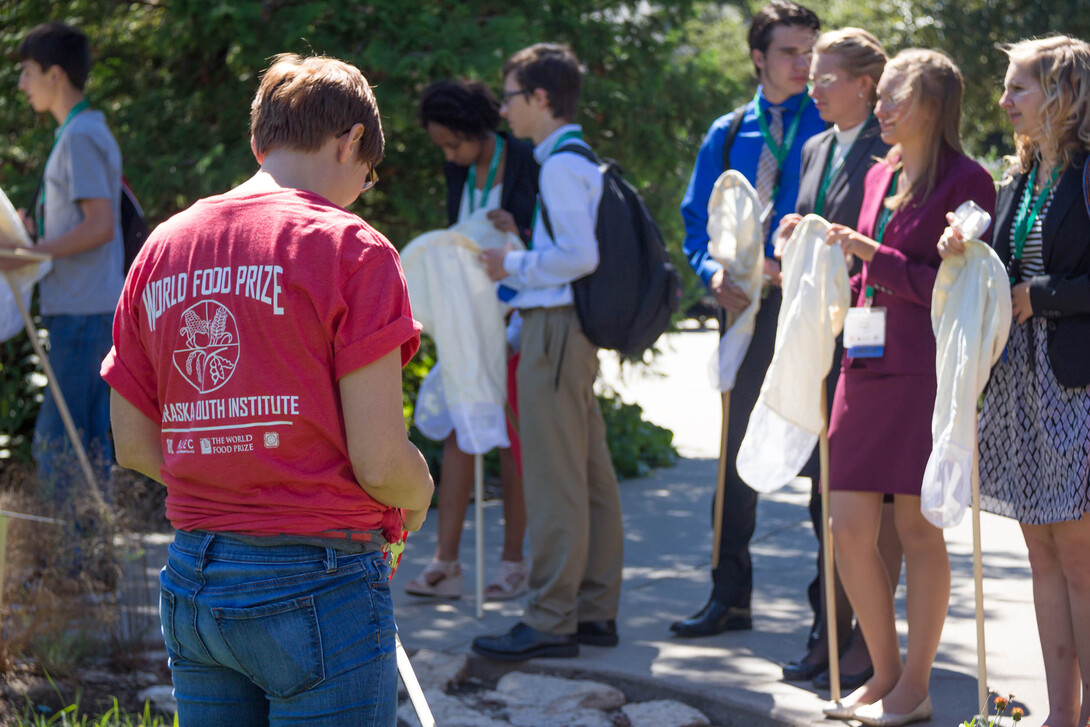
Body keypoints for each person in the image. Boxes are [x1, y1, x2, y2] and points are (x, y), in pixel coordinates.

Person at [101, 54, 434, 726]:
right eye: (366, 176)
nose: (359, 191)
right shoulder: (352, 248)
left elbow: (133, 442)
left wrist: (232, 471)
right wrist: (420, 493)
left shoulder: (162, 247)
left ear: (261, 141)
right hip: (318, 580)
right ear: (349, 142)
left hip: (195, 577)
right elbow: (379, 460)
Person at [821, 49, 996, 725]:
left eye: (897, 97)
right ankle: (886, 675)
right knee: (847, 525)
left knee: (918, 527)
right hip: (861, 367)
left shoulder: (969, 181)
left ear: (933, 105)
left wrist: (875, 257)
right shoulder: (879, 174)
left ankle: (913, 685)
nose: (884, 107)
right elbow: (872, 274)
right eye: (883, 96)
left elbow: (954, 294)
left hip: (923, 370)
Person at [938, 36, 1090, 727]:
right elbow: (1000, 278)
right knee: (1041, 551)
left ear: (1062, 95)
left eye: (1017, 88)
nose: (1003, 102)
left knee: (1080, 555)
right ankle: (1063, 713)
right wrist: (963, 253)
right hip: (1019, 386)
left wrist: (1046, 296)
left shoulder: (1087, 173)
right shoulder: (1019, 180)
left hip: (1074, 385)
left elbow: (1055, 285)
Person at [673, 0, 825, 638]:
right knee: (734, 457)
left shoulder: (834, 122)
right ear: (759, 57)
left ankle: (832, 613)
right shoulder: (730, 131)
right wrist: (712, 273)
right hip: (744, 315)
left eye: (812, 51)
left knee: (824, 460)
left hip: (813, 312)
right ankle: (728, 596)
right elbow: (694, 223)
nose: (806, 64)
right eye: (792, 52)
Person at [473, 43, 623, 660]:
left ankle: (551, 617)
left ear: (539, 99)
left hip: (554, 331)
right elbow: (575, 247)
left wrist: (512, 261)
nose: (504, 109)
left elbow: (579, 258)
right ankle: (592, 610)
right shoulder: (575, 157)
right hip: (570, 331)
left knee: (553, 478)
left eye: (510, 97)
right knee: (588, 475)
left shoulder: (559, 162)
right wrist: (529, 241)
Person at [776, 28, 902, 689]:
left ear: (865, 85)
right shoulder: (816, 145)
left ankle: (858, 643)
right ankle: (827, 631)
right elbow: (804, 219)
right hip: (819, 333)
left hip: (873, 335)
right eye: (812, 76)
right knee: (823, 493)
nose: (813, 87)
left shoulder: (893, 152)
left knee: (866, 496)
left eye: (826, 78)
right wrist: (790, 231)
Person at [404, 79, 535, 600]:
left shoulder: (526, 159)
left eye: (453, 143)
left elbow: (546, 239)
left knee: (512, 440)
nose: (450, 155)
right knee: (461, 431)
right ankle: (447, 562)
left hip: (519, 316)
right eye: (442, 147)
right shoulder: (458, 167)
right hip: (471, 319)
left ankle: (513, 562)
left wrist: (518, 226)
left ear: (478, 129)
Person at [1, 22, 124, 499]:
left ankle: (71, 569)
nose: (21, 84)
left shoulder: (78, 137)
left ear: (54, 75)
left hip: (83, 313)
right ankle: (92, 564)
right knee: (85, 444)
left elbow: (99, 226)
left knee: (59, 445)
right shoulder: (81, 132)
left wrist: (28, 253)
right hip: (83, 309)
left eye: (28, 72)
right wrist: (37, 236)